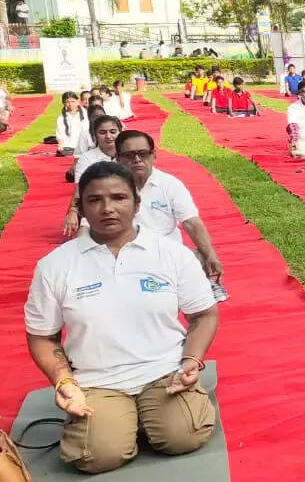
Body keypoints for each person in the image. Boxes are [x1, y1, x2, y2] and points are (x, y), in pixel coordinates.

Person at [26, 161, 219, 475]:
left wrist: (192, 361)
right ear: (82, 208)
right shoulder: (55, 266)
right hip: (97, 381)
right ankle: (118, 418)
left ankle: (150, 414)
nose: (107, 208)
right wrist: (64, 382)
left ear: (137, 203)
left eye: (118, 198)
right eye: (94, 200)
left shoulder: (171, 253)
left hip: (164, 373)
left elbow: (204, 314)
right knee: (97, 456)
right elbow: (41, 336)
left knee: (183, 436)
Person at [113, 130, 228, 302]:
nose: (137, 160)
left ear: (154, 156)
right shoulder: (108, 187)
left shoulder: (169, 184)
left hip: (166, 252)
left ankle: (202, 281)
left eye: (143, 154)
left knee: (200, 254)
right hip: (124, 253)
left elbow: (191, 222)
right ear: (117, 158)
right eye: (129, 155)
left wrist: (210, 255)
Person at [55, 92, 87, 157]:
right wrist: (60, 145)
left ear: (78, 101)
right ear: (64, 103)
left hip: (84, 146)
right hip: (69, 147)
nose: (70, 104)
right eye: (67, 102)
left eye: (73, 101)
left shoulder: (86, 114)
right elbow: (60, 134)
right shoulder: (61, 118)